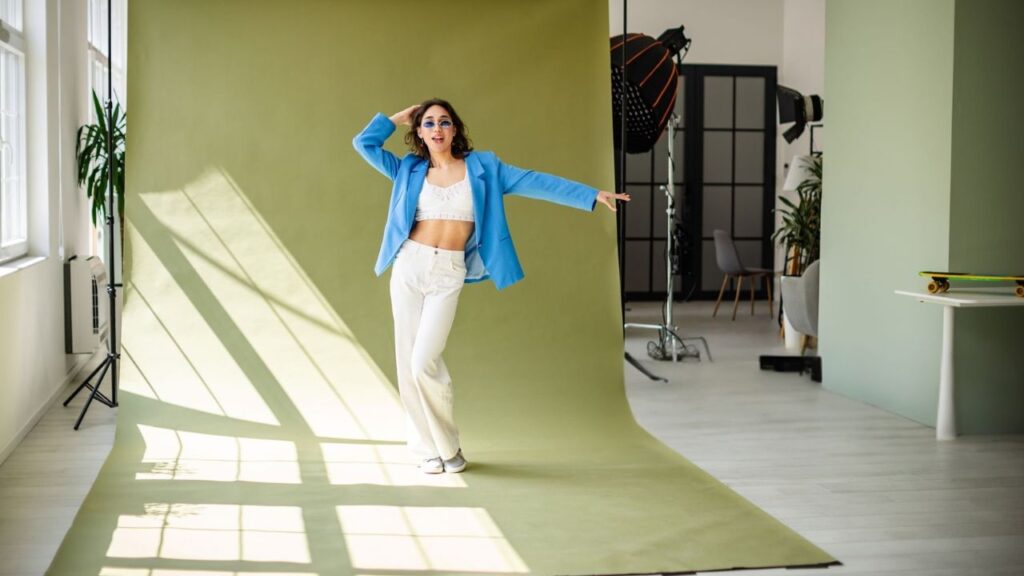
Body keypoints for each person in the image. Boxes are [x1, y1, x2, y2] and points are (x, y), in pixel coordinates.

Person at [352, 98, 628, 474]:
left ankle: (449, 447)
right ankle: (427, 450)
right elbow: (364, 144)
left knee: (423, 361)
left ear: (455, 129)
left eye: (444, 122)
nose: (436, 129)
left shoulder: (484, 168)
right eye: (428, 123)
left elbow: (534, 181)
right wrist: (396, 118)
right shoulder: (408, 170)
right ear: (418, 132)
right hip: (409, 267)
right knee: (407, 362)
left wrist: (590, 195)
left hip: (448, 272)